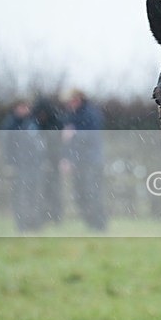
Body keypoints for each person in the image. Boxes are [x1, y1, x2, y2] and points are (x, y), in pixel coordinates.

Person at [61, 88, 107, 231]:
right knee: (80, 194)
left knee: (92, 192)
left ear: (78, 99)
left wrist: (74, 134)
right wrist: (67, 159)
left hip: (91, 161)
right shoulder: (72, 115)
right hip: (79, 162)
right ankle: (90, 224)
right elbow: (69, 143)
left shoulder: (91, 114)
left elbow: (92, 137)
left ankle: (98, 225)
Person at [1, 99, 44, 232]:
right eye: (23, 106)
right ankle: (22, 225)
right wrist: (10, 163)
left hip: (33, 165)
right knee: (21, 196)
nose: (26, 109)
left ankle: (33, 224)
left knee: (34, 195)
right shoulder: (10, 124)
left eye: (27, 106)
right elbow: (6, 146)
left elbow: (38, 142)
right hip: (19, 166)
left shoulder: (32, 122)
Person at [32, 96, 65, 224]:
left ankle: (56, 217)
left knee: (54, 190)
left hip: (54, 161)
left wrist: (57, 159)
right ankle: (43, 217)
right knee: (41, 191)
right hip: (40, 162)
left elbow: (60, 144)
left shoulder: (56, 122)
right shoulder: (35, 123)